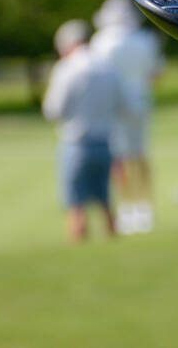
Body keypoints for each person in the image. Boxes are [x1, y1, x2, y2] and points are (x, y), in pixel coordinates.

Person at [42, 19, 130, 241]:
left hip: (76, 142)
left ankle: (79, 247)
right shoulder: (107, 67)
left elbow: (53, 109)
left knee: (76, 205)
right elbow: (121, 103)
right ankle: (114, 242)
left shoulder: (67, 68)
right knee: (105, 201)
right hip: (105, 141)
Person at [91, 0, 164, 234]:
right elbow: (156, 75)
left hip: (114, 105)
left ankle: (127, 208)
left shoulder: (100, 42)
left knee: (119, 159)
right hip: (141, 102)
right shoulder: (145, 40)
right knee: (140, 154)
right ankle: (144, 209)